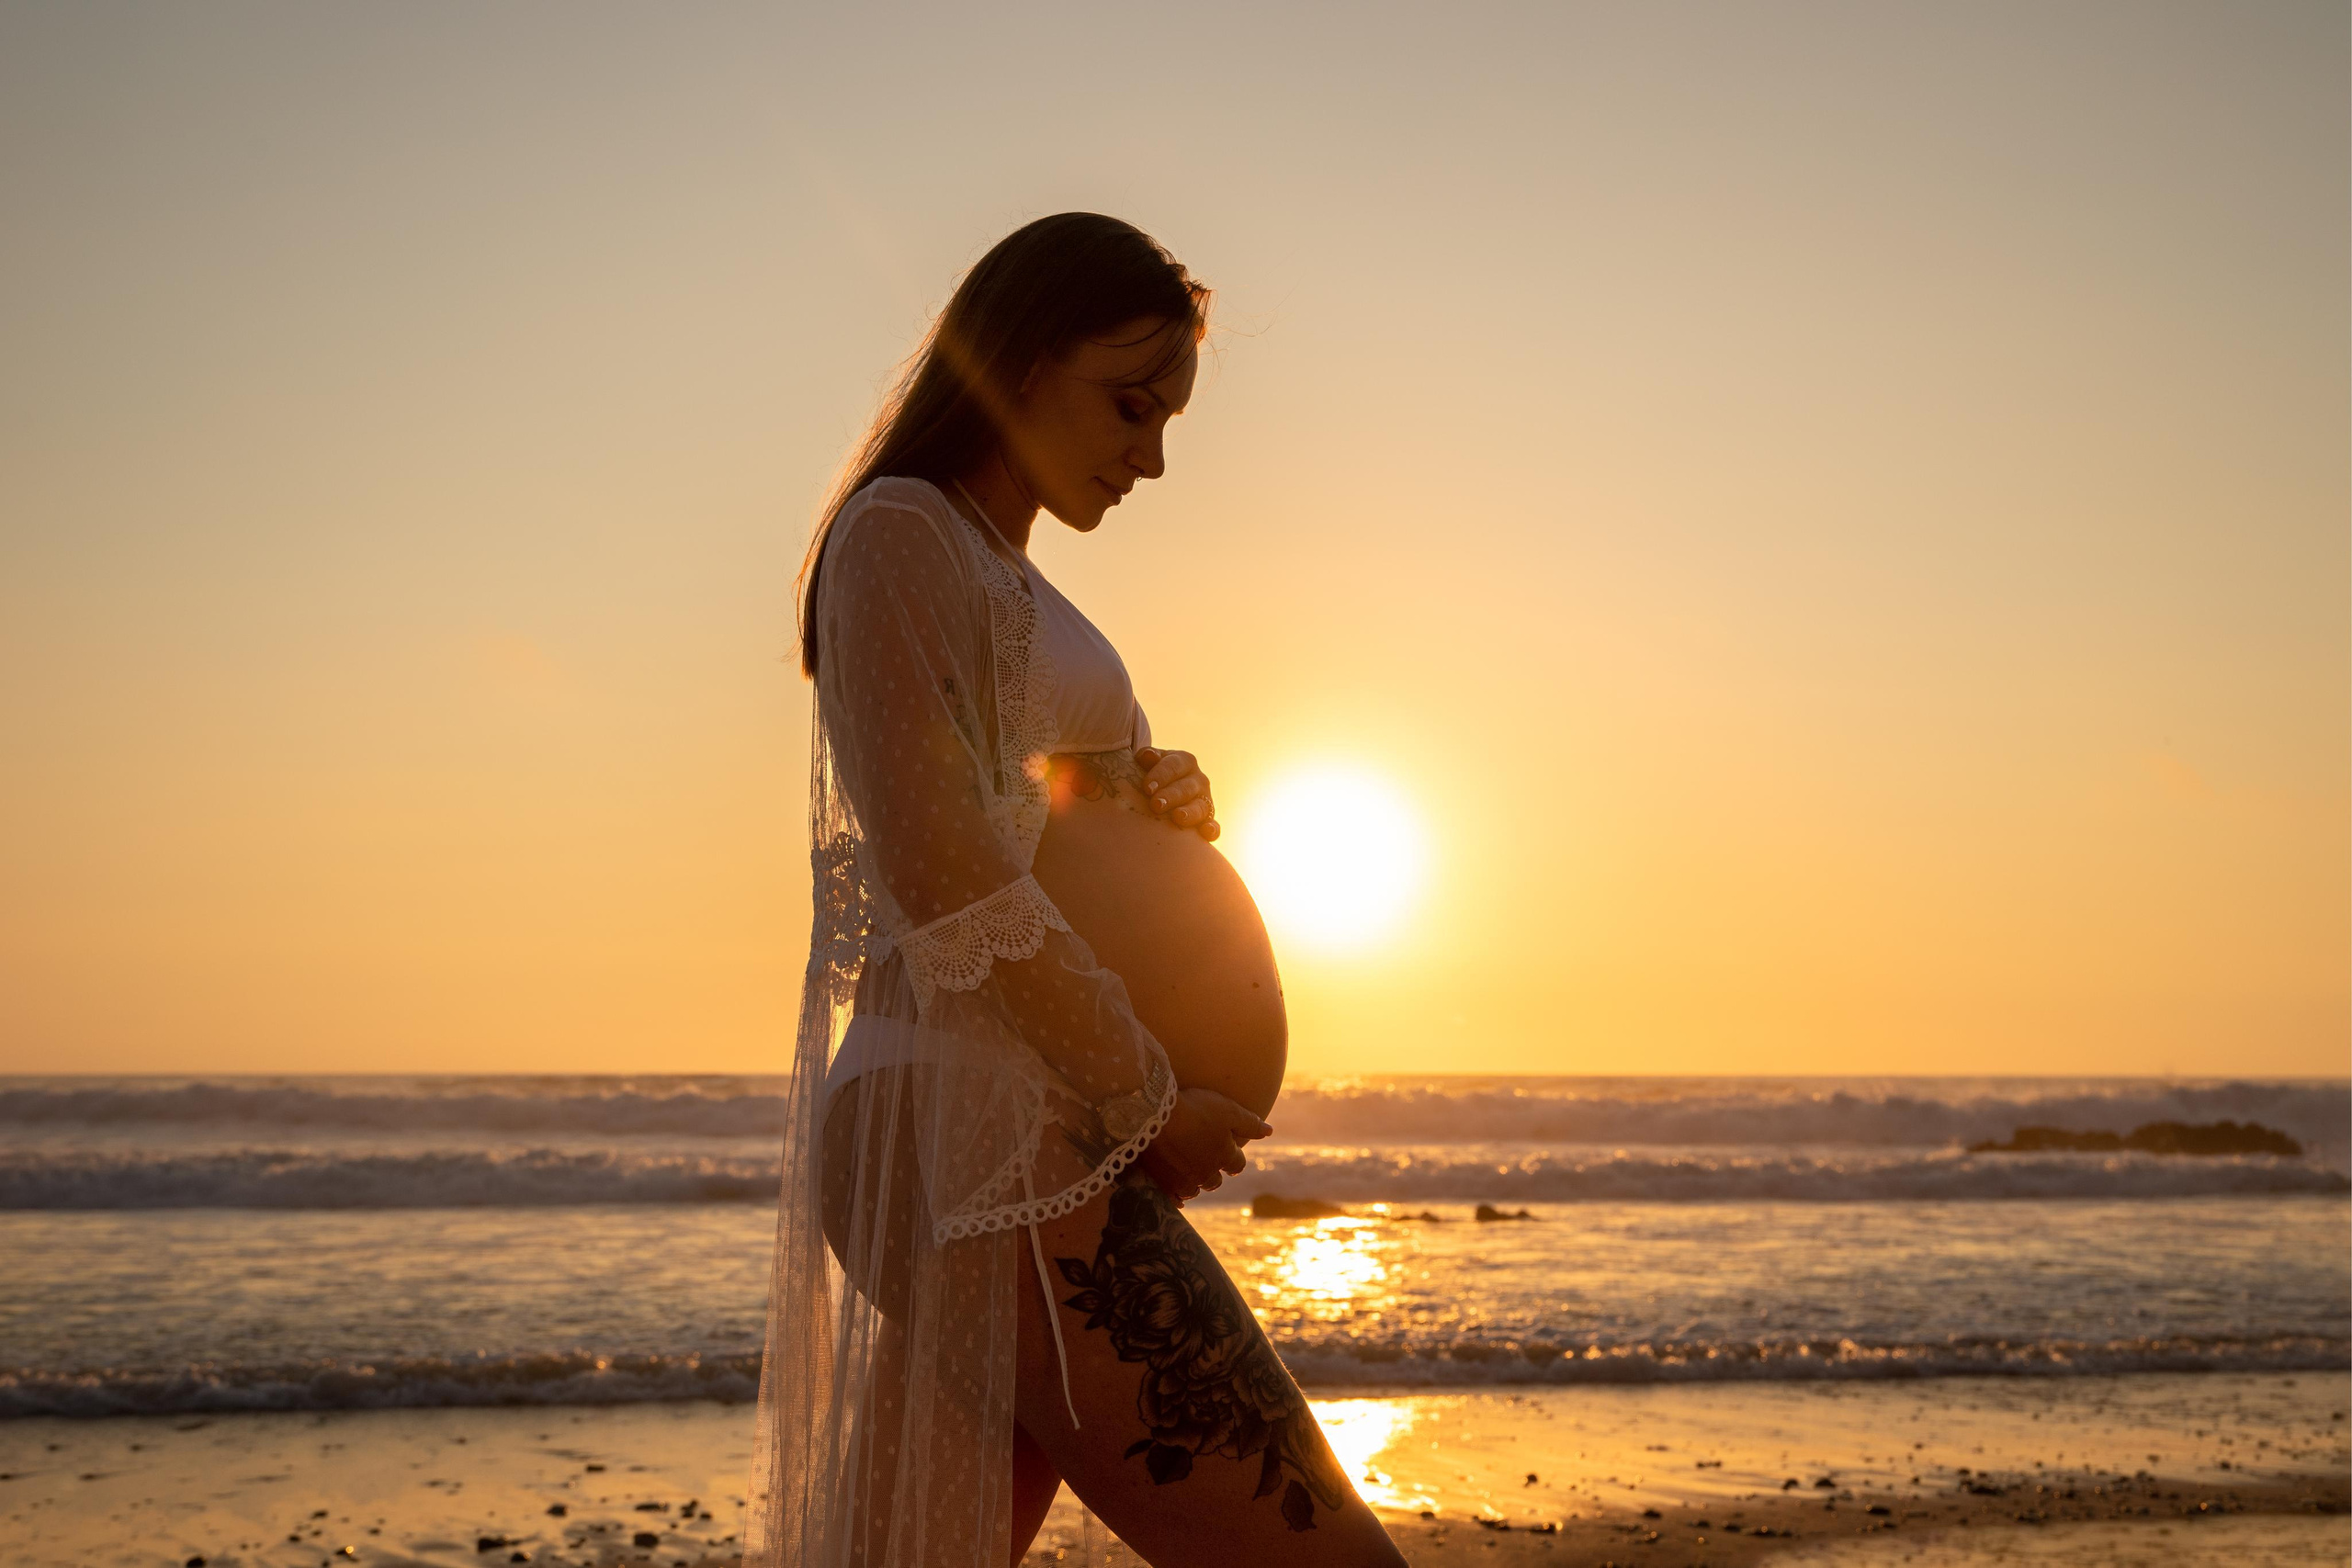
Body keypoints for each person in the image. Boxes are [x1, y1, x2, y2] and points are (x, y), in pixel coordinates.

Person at [746, 213, 1407, 1568]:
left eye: (1168, 418)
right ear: (1019, 359)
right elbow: (944, 874)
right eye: (1130, 404)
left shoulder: (1019, 582)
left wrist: (1141, 801)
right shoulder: (900, 535)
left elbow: (1032, 817)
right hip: (981, 1127)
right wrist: (1148, 1097)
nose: (1152, 455)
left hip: (1048, 1123)